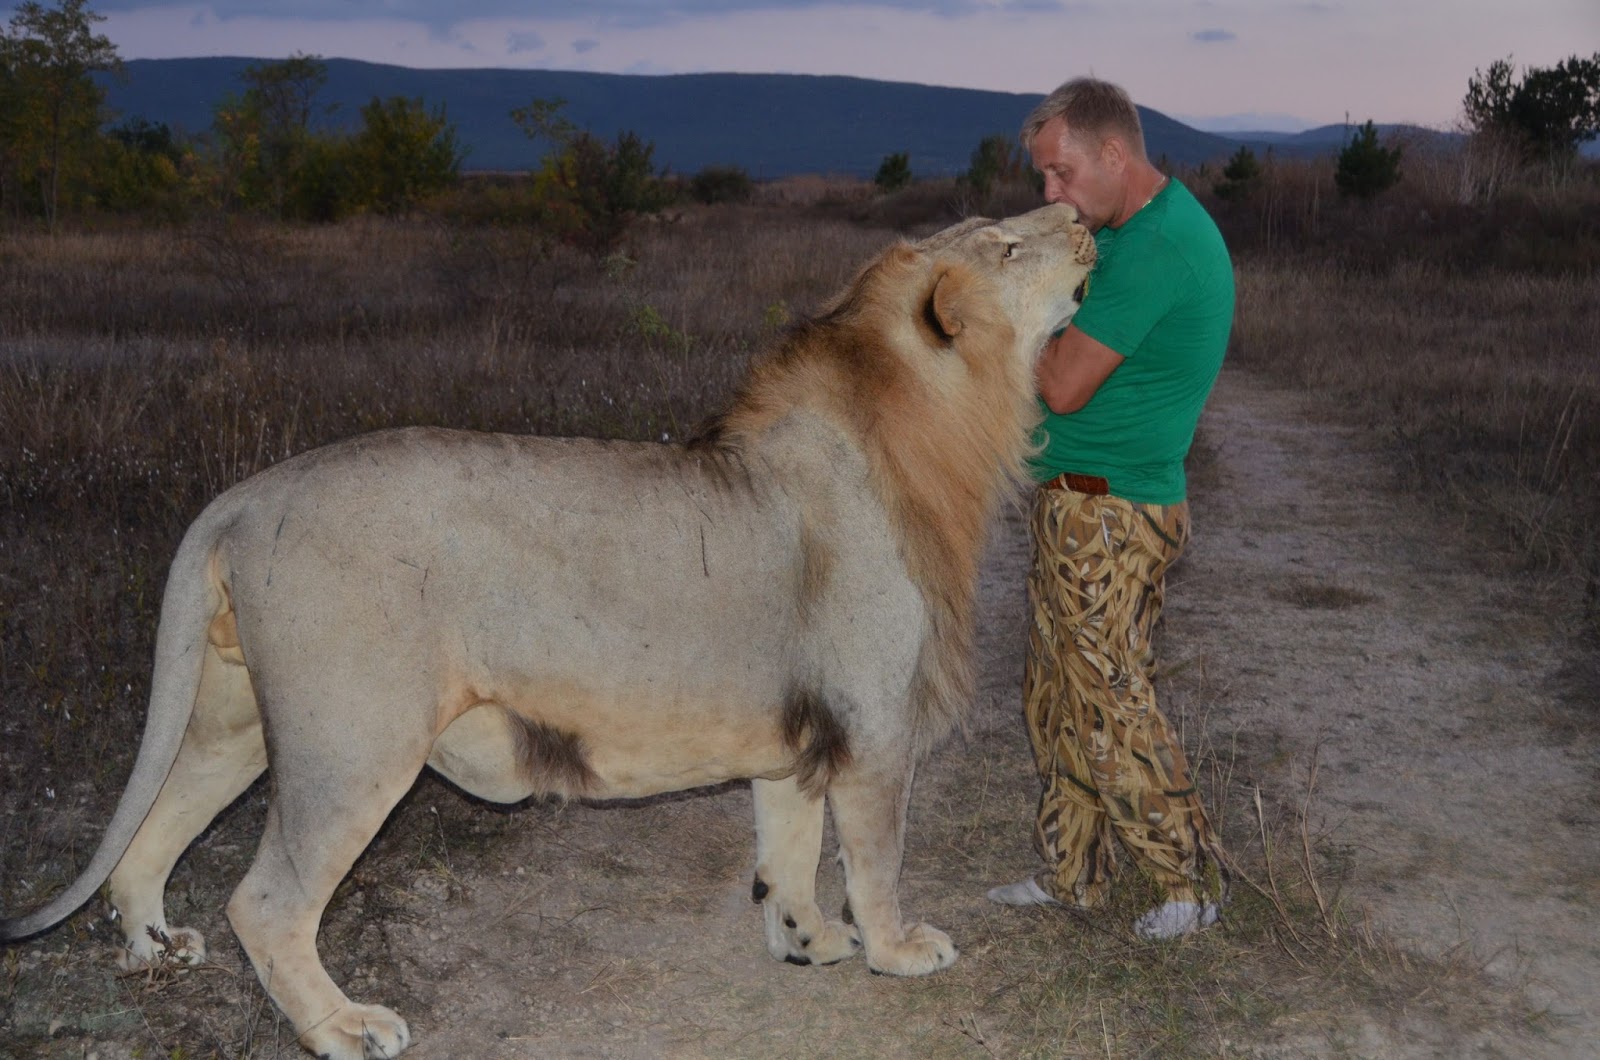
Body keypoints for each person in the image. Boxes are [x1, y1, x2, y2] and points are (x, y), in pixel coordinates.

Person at [984, 77, 1233, 939]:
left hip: (1112, 516)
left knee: (1111, 701)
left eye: (1061, 174)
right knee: (1055, 698)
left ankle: (1188, 884)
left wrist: (1009, 308)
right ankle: (1073, 876)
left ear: (1115, 154)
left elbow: (1062, 383)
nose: (1051, 194)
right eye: (1044, 178)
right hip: (1076, 510)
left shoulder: (1160, 246)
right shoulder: (1125, 235)